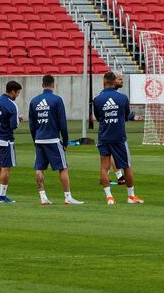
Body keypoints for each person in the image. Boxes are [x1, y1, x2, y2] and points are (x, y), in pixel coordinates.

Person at [29, 75, 83, 206]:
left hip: (39, 139)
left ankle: (43, 197)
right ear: (54, 85)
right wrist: (65, 141)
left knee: (39, 168)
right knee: (63, 168)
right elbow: (62, 123)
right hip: (52, 139)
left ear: (42, 85)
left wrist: (35, 139)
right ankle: (68, 197)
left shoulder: (34, 101)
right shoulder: (57, 100)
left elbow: (32, 124)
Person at [93, 72, 144, 205]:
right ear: (114, 81)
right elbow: (126, 116)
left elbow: (98, 117)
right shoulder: (122, 98)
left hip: (103, 136)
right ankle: (131, 196)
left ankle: (109, 197)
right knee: (126, 166)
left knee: (104, 167)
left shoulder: (97, 99)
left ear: (104, 81)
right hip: (119, 137)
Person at [0, 80, 22, 203]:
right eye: (17, 92)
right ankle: (2, 196)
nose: (17, 95)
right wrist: (19, 120)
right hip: (5, 140)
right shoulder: (12, 105)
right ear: (12, 91)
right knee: (5, 168)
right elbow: (14, 125)